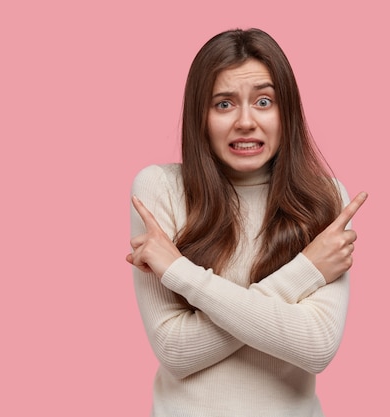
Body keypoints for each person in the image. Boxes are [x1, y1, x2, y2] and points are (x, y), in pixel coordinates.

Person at [126, 27, 368, 417]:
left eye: (263, 101)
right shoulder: (161, 189)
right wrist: (305, 273)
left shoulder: (325, 198)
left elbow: (317, 346)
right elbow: (175, 350)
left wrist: (178, 272)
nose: (245, 121)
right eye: (224, 104)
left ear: (285, 110)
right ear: (199, 116)